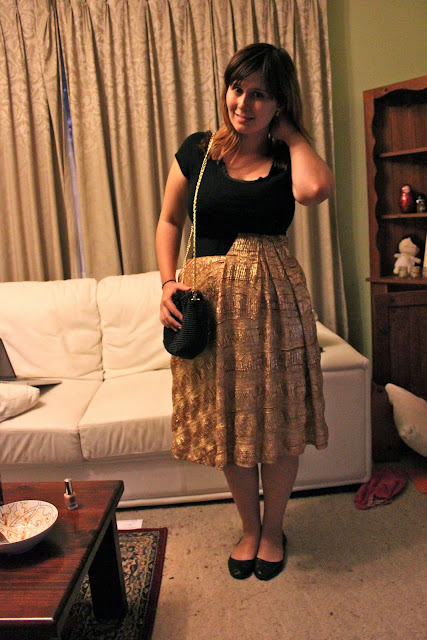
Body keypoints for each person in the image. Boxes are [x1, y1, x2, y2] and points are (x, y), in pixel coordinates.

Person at [156, 43, 334, 581]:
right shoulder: (197, 151)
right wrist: (166, 282)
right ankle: (249, 529)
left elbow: (315, 189)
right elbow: (169, 221)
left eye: (260, 94)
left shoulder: (287, 158)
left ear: (279, 103)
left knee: (274, 422)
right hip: (211, 310)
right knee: (229, 422)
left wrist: (293, 135)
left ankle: (274, 530)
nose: (244, 103)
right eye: (237, 88)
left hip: (274, 306)